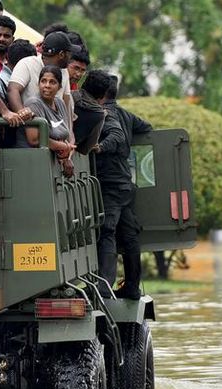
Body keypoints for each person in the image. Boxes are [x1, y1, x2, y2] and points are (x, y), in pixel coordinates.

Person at [78, 70, 147, 299]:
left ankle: (105, 287)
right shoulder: (126, 115)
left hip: (110, 185)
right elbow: (146, 128)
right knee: (129, 236)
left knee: (107, 232)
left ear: (101, 95)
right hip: (124, 183)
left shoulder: (105, 114)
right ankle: (132, 287)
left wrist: (100, 147)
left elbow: (116, 136)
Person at [16, 65, 75, 176]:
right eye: (43, 81)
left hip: (50, 166)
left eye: (52, 82)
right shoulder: (34, 103)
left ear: (59, 86)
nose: (47, 86)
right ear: (38, 84)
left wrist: (68, 157)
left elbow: (65, 136)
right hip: (30, 163)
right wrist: (62, 147)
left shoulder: (60, 103)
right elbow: (34, 139)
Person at [7, 31, 79, 114]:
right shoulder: (27, 64)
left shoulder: (64, 71)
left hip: (54, 124)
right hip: (30, 123)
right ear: (62, 54)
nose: (71, 58)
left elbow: (66, 104)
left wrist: (67, 126)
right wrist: (23, 114)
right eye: (69, 54)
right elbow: (12, 90)